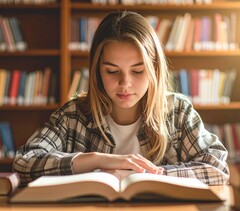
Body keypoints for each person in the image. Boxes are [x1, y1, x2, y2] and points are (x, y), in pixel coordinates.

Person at [13, 11, 229, 185]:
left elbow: (217, 168)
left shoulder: (177, 111)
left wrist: (153, 175)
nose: (125, 84)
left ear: (154, 69)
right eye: (112, 71)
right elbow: (24, 162)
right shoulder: (74, 114)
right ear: (97, 71)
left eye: (137, 71)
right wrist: (98, 160)